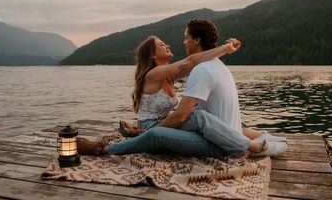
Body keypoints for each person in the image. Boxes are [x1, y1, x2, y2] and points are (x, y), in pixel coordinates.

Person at [78, 20, 286, 157]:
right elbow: (192, 60)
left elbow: (195, 62)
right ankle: (105, 149)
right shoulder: (153, 74)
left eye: (185, 37)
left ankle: (263, 136)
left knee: (200, 114)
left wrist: (220, 51)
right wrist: (225, 49)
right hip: (153, 125)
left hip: (161, 121)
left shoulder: (171, 75)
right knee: (197, 117)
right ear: (152, 56)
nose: (169, 44)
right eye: (161, 44)